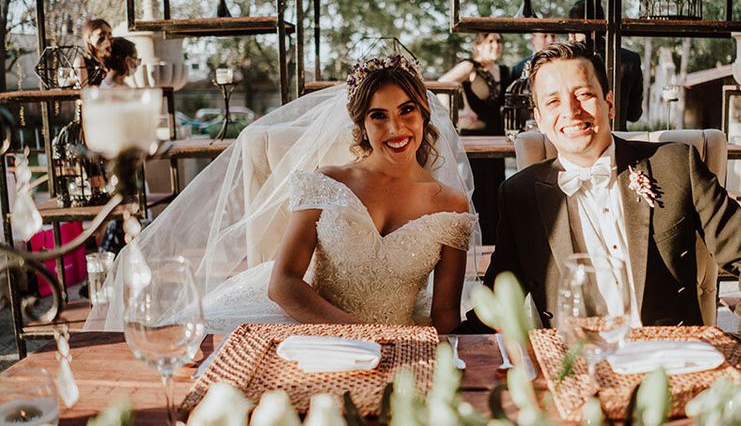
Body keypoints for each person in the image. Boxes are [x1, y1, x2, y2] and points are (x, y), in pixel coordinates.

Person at [89, 54, 481, 334]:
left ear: (424, 113)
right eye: (379, 115)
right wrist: (360, 332)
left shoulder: (450, 204)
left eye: (407, 110)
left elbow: (445, 315)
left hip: (401, 342)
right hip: (310, 329)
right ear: (362, 124)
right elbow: (283, 284)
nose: (396, 128)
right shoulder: (328, 182)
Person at [461, 41, 741, 333]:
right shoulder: (519, 195)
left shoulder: (675, 165)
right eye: (553, 101)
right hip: (576, 367)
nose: (571, 111)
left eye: (584, 95)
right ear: (540, 118)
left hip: (672, 360)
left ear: (610, 104)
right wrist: (446, 347)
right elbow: (498, 302)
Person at [439, 33, 508, 245]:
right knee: (479, 192)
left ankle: (494, 244)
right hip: (474, 138)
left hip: (498, 138)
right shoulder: (469, 66)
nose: (495, 46)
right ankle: (477, 247)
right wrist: (456, 115)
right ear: (478, 45)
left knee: (497, 193)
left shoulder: (504, 71)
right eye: (490, 42)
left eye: (498, 41)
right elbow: (441, 84)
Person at [567, 0, 643, 127]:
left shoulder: (569, 60)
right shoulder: (631, 58)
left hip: (580, 134)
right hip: (619, 138)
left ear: (572, 33)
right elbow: (634, 115)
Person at [75, 18, 111, 87]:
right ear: (88, 38)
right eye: (101, 34)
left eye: (109, 34)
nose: (106, 38)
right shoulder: (82, 62)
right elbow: (84, 90)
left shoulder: (111, 60)